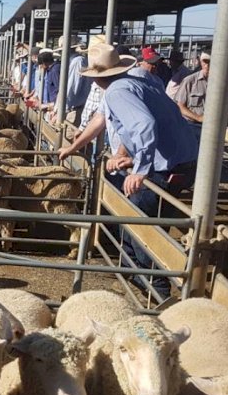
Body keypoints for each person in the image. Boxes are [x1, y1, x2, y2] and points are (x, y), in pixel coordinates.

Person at [60, 43, 198, 299]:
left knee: (141, 226)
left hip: (164, 168)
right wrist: (74, 148)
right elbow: (104, 120)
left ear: (96, 78)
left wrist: (140, 169)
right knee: (133, 217)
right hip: (181, 161)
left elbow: (144, 124)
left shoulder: (118, 91)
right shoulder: (135, 83)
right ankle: (133, 276)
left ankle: (157, 292)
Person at [175, 51, 210, 125]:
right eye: (205, 62)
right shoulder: (190, 81)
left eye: (210, 62)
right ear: (200, 62)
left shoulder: (223, 83)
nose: (207, 65)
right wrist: (198, 118)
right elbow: (180, 106)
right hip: (193, 125)